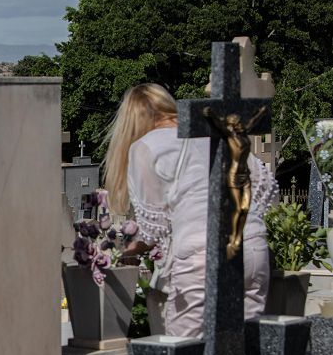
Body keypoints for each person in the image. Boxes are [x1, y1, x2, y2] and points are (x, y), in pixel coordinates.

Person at [103, 83, 278, 338]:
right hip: (251, 246)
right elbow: (263, 183)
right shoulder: (212, 132)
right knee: (243, 347)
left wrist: (127, 251)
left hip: (201, 257)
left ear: (130, 121)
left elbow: (155, 228)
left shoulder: (146, 145)